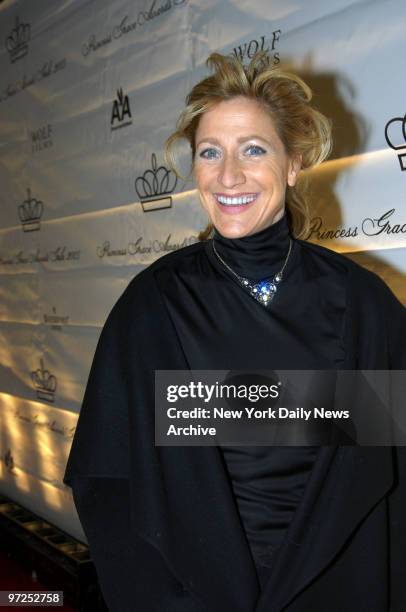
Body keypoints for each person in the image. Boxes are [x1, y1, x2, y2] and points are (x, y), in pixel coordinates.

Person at [63, 52, 406, 611]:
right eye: (210, 153)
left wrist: (202, 406)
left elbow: (387, 473)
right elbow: (109, 478)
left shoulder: (360, 304)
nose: (229, 176)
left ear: (293, 163)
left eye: (253, 149)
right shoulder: (153, 306)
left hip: (336, 587)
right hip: (192, 596)